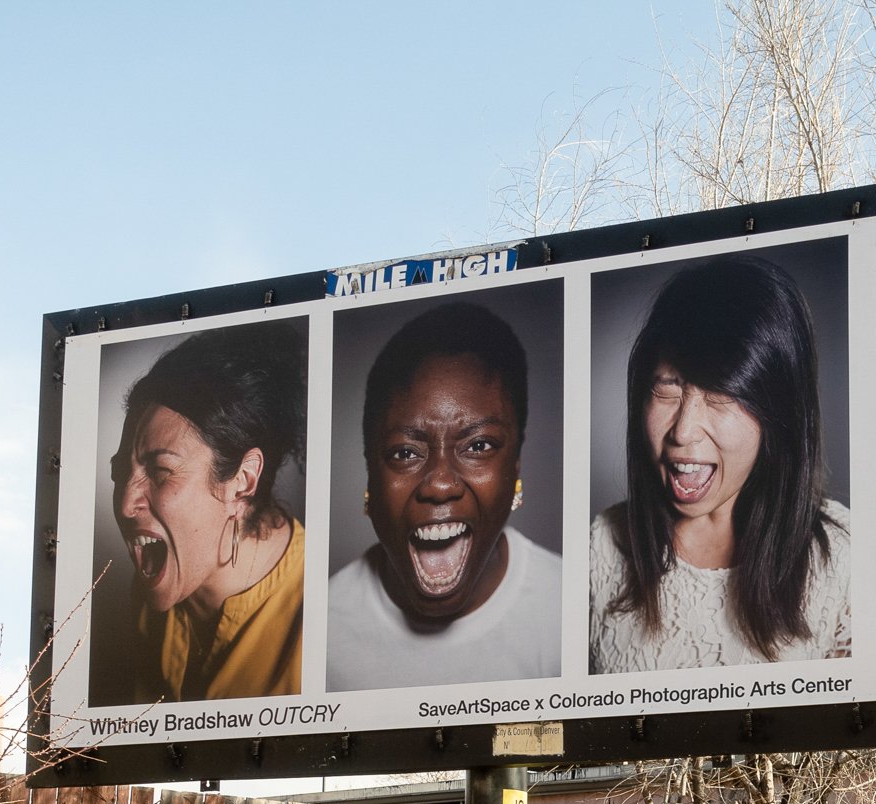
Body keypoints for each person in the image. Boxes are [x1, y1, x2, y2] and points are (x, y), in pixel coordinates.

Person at [589, 253, 849, 672]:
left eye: (721, 394)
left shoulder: (843, 559)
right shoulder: (600, 548)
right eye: (668, 388)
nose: (683, 431)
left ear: (777, 411)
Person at [327, 301, 561, 691]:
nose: (439, 484)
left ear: (515, 466)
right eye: (405, 453)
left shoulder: (572, 607)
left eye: (479, 445)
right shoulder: (316, 631)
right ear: (370, 475)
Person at [109, 322, 307, 702]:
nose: (124, 505)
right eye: (121, 473)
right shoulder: (148, 594)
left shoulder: (319, 614)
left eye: (160, 471)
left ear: (243, 481)